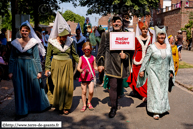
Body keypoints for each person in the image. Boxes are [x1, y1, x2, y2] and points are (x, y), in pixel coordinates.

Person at [8, 21, 49, 117]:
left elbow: (36, 58)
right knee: (19, 89)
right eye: (23, 31)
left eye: (26, 31)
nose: (24, 32)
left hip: (31, 67)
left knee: (33, 88)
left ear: (29, 32)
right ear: (20, 31)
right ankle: (22, 111)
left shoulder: (33, 43)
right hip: (18, 68)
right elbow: (12, 58)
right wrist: (10, 71)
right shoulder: (15, 43)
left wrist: (39, 71)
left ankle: (33, 107)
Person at [97, 15, 132, 118]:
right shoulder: (106, 35)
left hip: (122, 65)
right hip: (111, 64)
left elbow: (131, 50)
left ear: (121, 23)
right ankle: (113, 107)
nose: (116, 23)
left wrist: (126, 55)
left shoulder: (127, 35)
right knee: (113, 86)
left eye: (118, 21)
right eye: (114, 22)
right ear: (112, 24)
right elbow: (101, 51)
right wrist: (100, 64)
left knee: (119, 85)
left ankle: (115, 101)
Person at [137, 26, 175, 120]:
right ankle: (155, 110)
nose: (161, 37)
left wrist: (171, 71)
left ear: (165, 36)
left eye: (163, 35)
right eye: (160, 35)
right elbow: (146, 59)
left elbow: (171, 61)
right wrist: (142, 70)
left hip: (164, 73)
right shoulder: (152, 47)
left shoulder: (168, 46)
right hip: (153, 72)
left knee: (163, 91)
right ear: (157, 36)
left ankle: (163, 108)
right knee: (156, 91)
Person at [45, 12, 79, 115]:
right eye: (63, 36)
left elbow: (74, 54)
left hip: (67, 65)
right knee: (57, 85)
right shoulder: (52, 42)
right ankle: (58, 104)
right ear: (59, 35)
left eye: (66, 35)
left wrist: (82, 63)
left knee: (67, 86)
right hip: (56, 65)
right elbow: (48, 55)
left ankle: (66, 106)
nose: (65, 38)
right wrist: (47, 68)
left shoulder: (70, 41)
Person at [127, 21, 152, 102]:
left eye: (146, 29)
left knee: (145, 78)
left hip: (147, 60)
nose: (145, 30)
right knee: (137, 77)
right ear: (141, 30)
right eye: (143, 29)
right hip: (137, 61)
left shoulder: (150, 39)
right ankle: (140, 93)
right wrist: (131, 61)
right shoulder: (136, 38)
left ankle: (144, 95)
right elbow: (133, 50)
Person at [77, 42, 97, 112]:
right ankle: (84, 105)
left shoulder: (93, 58)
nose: (87, 50)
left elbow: (95, 67)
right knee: (84, 91)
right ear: (83, 50)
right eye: (85, 49)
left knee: (91, 91)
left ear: (91, 49)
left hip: (91, 76)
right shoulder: (81, 58)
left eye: (88, 49)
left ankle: (89, 102)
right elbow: (78, 67)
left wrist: (99, 68)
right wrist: (81, 70)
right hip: (83, 77)